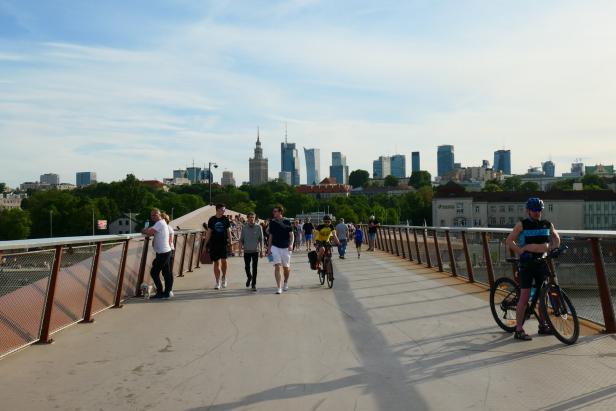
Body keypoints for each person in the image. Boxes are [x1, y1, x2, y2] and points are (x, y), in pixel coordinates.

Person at [506, 197, 561, 341]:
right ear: (528, 210)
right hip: (527, 263)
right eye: (534, 210)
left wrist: (554, 249)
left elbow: (556, 238)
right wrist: (521, 252)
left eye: (539, 210)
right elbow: (509, 241)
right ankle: (519, 330)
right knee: (524, 297)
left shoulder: (547, 224)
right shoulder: (522, 225)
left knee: (543, 296)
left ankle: (542, 325)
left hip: (541, 262)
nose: (537, 212)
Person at [141, 208, 173, 299]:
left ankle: (160, 292)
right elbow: (152, 231)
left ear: (159, 215)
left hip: (163, 252)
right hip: (165, 251)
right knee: (166, 273)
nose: (153, 217)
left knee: (154, 272)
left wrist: (143, 230)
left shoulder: (160, 223)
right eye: (152, 215)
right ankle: (166, 293)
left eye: (155, 215)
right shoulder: (161, 223)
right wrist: (147, 230)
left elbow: (150, 233)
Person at [267, 205, 294, 294]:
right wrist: (269, 248)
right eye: (273, 211)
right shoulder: (272, 222)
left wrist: (291, 244)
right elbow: (271, 236)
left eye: (275, 211)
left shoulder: (287, 221)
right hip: (275, 247)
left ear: (280, 212)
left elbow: (291, 235)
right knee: (277, 266)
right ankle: (279, 287)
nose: (273, 213)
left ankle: (285, 282)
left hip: (286, 247)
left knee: (286, 268)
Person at [204, 203, 232, 290]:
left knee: (224, 261)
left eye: (224, 210)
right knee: (216, 262)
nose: (224, 211)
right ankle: (217, 282)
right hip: (214, 243)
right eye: (223, 209)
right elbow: (208, 232)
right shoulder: (212, 219)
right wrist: (205, 244)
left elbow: (229, 232)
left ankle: (224, 277)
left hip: (223, 243)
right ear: (218, 210)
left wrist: (230, 243)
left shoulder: (225, 219)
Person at [240, 212, 264, 292]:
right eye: (250, 217)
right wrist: (240, 250)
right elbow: (241, 240)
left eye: (253, 217)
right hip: (246, 250)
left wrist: (262, 250)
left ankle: (253, 284)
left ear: (255, 218)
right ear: (247, 218)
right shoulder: (244, 227)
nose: (251, 219)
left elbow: (261, 239)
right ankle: (249, 277)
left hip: (255, 250)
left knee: (255, 268)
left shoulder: (259, 227)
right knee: (247, 267)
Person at [161, 213, 176, 287]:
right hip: (170, 250)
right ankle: (169, 289)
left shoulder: (167, 228)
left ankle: (169, 289)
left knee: (168, 271)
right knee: (167, 271)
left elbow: (169, 241)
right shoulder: (169, 227)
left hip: (169, 251)